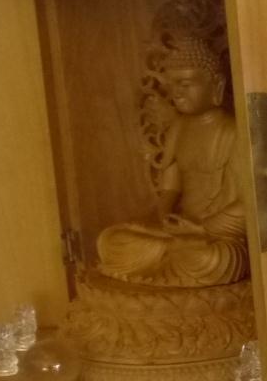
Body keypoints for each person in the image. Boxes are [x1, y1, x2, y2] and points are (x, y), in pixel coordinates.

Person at [94, 35, 249, 288]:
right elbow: (171, 186)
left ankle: (161, 267)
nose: (177, 92)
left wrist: (202, 228)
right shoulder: (179, 127)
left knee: (217, 259)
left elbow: (248, 204)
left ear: (217, 85)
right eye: (173, 85)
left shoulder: (235, 132)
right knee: (111, 240)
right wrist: (164, 216)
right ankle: (166, 263)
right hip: (178, 231)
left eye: (186, 84)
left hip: (214, 237)